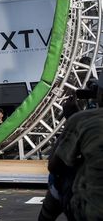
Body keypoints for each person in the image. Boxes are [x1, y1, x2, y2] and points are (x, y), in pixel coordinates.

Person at [39, 78, 103, 221]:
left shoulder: (83, 120)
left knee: (60, 176)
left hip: (91, 212)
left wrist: (72, 118)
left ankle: (45, 217)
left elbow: (54, 166)